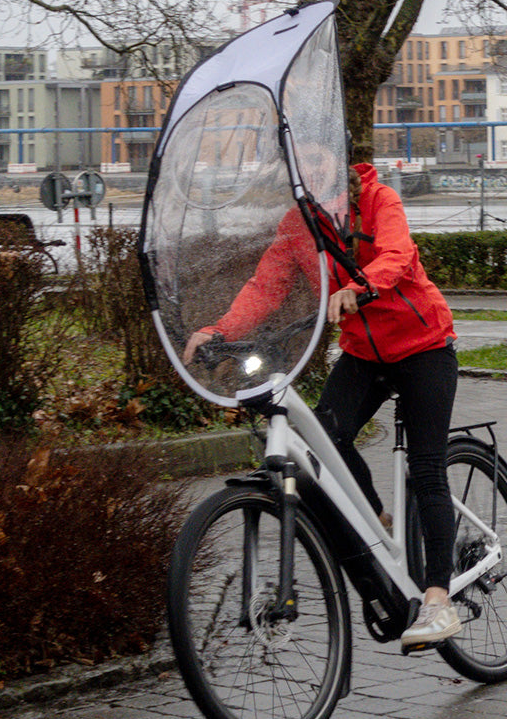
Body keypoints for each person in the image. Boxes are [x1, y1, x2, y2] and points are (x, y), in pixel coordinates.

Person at [183, 154, 463, 648]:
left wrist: (361, 286)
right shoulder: (299, 226)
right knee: (326, 439)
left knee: (426, 470)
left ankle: (439, 601)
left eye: (318, 163)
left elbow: (397, 253)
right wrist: (218, 330)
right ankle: (376, 518)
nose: (307, 176)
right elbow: (265, 287)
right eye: (299, 169)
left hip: (424, 348)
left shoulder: (378, 200)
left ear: (338, 166)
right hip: (363, 354)